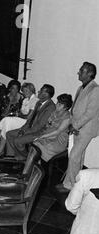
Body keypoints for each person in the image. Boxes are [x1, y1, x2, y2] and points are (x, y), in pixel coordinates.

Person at [62, 62, 99, 191]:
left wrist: (75, 126)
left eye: (81, 71)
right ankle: (74, 184)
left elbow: (90, 113)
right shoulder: (81, 88)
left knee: (74, 156)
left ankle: (72, 186)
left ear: (89, 73)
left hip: (86, 129)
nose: (78, 72)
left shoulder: (95, 89)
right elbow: (75, 109)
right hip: (77, 127)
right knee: (78, 156)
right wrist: (71, 123)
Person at [6, 84, 56, 160]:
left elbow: (40, 126)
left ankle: (28, 159)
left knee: (17, 141)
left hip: (39, 133)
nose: (38, 92)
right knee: (9, 134)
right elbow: (30, 119)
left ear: (46, 94)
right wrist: (22, 129)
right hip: (30, 129)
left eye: (41, 91)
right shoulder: (39, 103)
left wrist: (25, 132)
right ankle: (13, 157)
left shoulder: (50, 107)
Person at [34, 94, 72, 162]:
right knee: (34, 144)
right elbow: (48, 125)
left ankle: (36, 168)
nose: (57, 105)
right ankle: (34, 167)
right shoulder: (54, 112)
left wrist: (43, 136)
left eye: (60, 105)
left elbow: (58, 131)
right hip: (50, 136)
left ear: (66, 108)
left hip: (58, 140)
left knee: (37, 145)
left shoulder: (67, 117)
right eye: (57, 103)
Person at [0, 80, 26, 157]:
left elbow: (23, 112)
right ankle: (4, 151)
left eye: (17, 89)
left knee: (6, 124)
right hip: (6, 118)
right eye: (13, 88)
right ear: (9, 89)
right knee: (4, 122)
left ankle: (1, 151)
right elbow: (3, 113)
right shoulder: (6, 97)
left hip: (18, 120)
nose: (15, 91)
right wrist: (9, 102)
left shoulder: (22, 98)